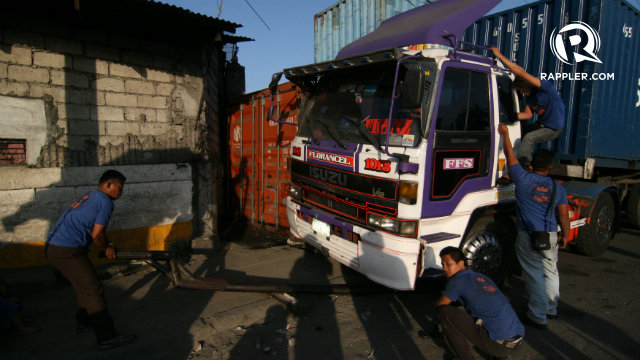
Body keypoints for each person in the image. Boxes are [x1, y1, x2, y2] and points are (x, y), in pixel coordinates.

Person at [45, 170, 136, 350]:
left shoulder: (91, 195)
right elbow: (96, 235)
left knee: (84, 287)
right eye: (120, 187)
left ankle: (84, 322)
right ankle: (107, 337)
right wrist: (106, 247)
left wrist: (108, 244)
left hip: (54, 248)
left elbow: (99, 231)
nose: (122, 191)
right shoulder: (105, 202)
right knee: (93, 289)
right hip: (67, 250)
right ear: (108, 185)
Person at [498, 123, 570, 329]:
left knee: (534, 273)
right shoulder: (558, 187)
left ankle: (537, 315)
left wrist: (505, 134)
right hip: (550, 234)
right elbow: (563, 216)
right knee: (551, 270)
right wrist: (564, 235)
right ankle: (551, 308)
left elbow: (510, 154)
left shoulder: (523, 178)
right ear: (549, 167)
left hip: (528, 234)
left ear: (531, 165)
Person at [436, 246, 524, 360]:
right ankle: (499, 355)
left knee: (445, 313)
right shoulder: (482, 277)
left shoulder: (457, 280)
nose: (445, 268)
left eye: (448, 264)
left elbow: (439, 306)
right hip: (517, 339)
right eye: (443, 265)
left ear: (461, 264)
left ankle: (463, 357)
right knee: (488, 314)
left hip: (499, 345)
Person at [491, 47, 565, 170]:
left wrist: (499, 55)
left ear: (528, 86)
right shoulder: (530, 99)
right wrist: (509, 116)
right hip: (541, 125)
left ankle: (523, 165)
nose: (523, 93)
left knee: (529, 138)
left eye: (523, 90)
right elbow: (527, 115)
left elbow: (520, 72)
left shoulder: (546, 88)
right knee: (519, 131)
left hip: (553, 128)